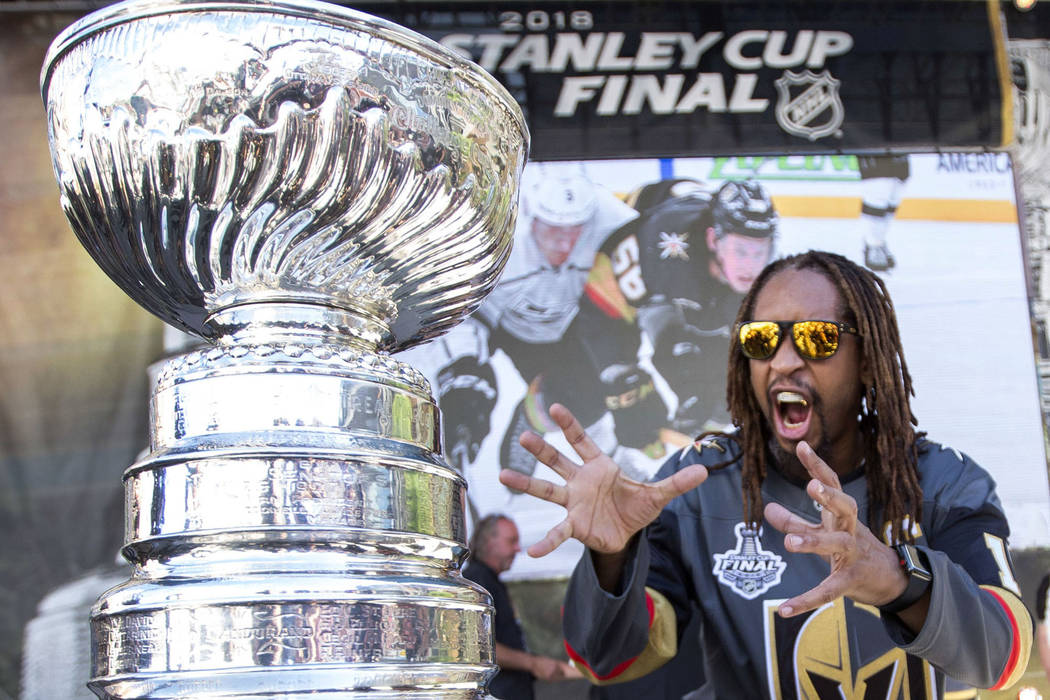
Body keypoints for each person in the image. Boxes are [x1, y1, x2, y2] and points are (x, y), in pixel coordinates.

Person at [501, 250, 1032, 698]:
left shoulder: (942, 483)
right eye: (761, 340)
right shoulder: (698, 485)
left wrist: (898, 581)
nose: (782, 360)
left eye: (816, 339)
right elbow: (608, 659)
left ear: (867, 360)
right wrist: (612, 560)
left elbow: (1003, 656)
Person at [423, 163, 665, 494]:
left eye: (574, 230)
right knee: (470, 394)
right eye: (552, 230)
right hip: (502, 324)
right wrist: (464, 369)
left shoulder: (613, 220)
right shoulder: (492, 229)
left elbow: (647, 261)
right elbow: (461, 309)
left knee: (591, 398)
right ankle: (507, 430)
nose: (563, 243)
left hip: (573, 322)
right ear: (529, 214)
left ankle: (613, 463)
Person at [587, 178, 777, 437]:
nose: (750, 266)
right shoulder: (662, 251)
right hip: (645, 217)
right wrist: (621, 373)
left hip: (699, 284)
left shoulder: (771, 280)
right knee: (681, 362)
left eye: (759, 253)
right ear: (713, 240)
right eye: (741, 251)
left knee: (725, 390)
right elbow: (603, 306)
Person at [463, 514, 582, 699]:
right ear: (489, 541)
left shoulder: (492, 581)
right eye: (512, 541)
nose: (518, 549)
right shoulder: (476, 581)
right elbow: (476, 646)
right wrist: (533, 663)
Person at [858, 155, 910, 272]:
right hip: (873, 142)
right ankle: (873, 244)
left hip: (897, 142)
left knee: (895, 191)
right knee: (878, 190)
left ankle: (878, 241)